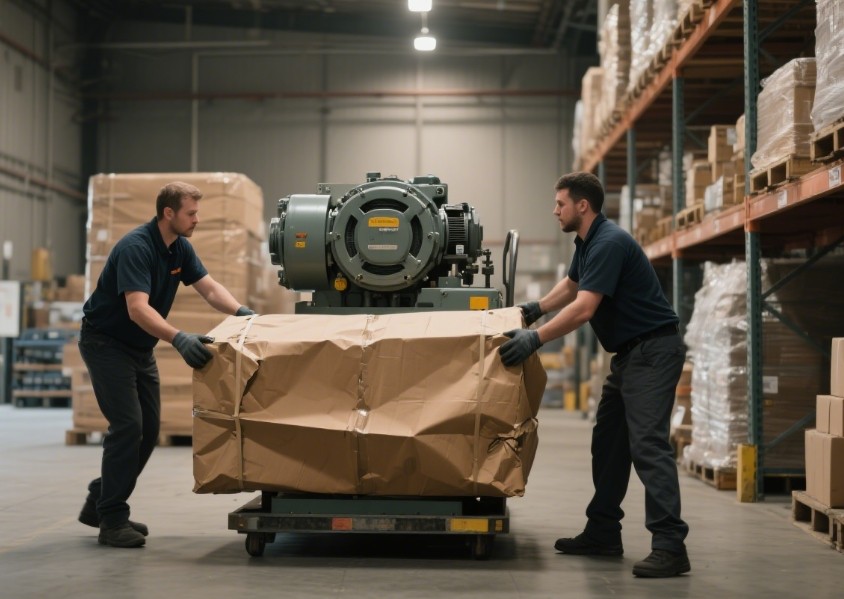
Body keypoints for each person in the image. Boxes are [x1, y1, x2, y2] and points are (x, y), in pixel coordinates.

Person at [499, 172, 689, 578]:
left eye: (560, 204)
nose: (555, 210)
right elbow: (571, 286)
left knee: (648, 446)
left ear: (582, 206)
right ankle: (603, 532)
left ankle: (671, 545)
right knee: (608, 443)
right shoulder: (588, 243)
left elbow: (584, 308)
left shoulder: (608, 242)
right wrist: (534, 308)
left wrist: (535, 338)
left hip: (654, 351)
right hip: (630, 355)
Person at [77, 181, 255, 548]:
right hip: (105, 344)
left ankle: (100, 500)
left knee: (149, 429)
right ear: (168, 213)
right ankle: (112, 520)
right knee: (129, 426)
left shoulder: (180, 250)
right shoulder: (136, 248)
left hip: (139, 348)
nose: (197, 220)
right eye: (191, 213)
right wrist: (179, 337)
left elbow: (208, 288)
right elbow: (137, 308)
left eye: (197, 213)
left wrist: (241, 313)